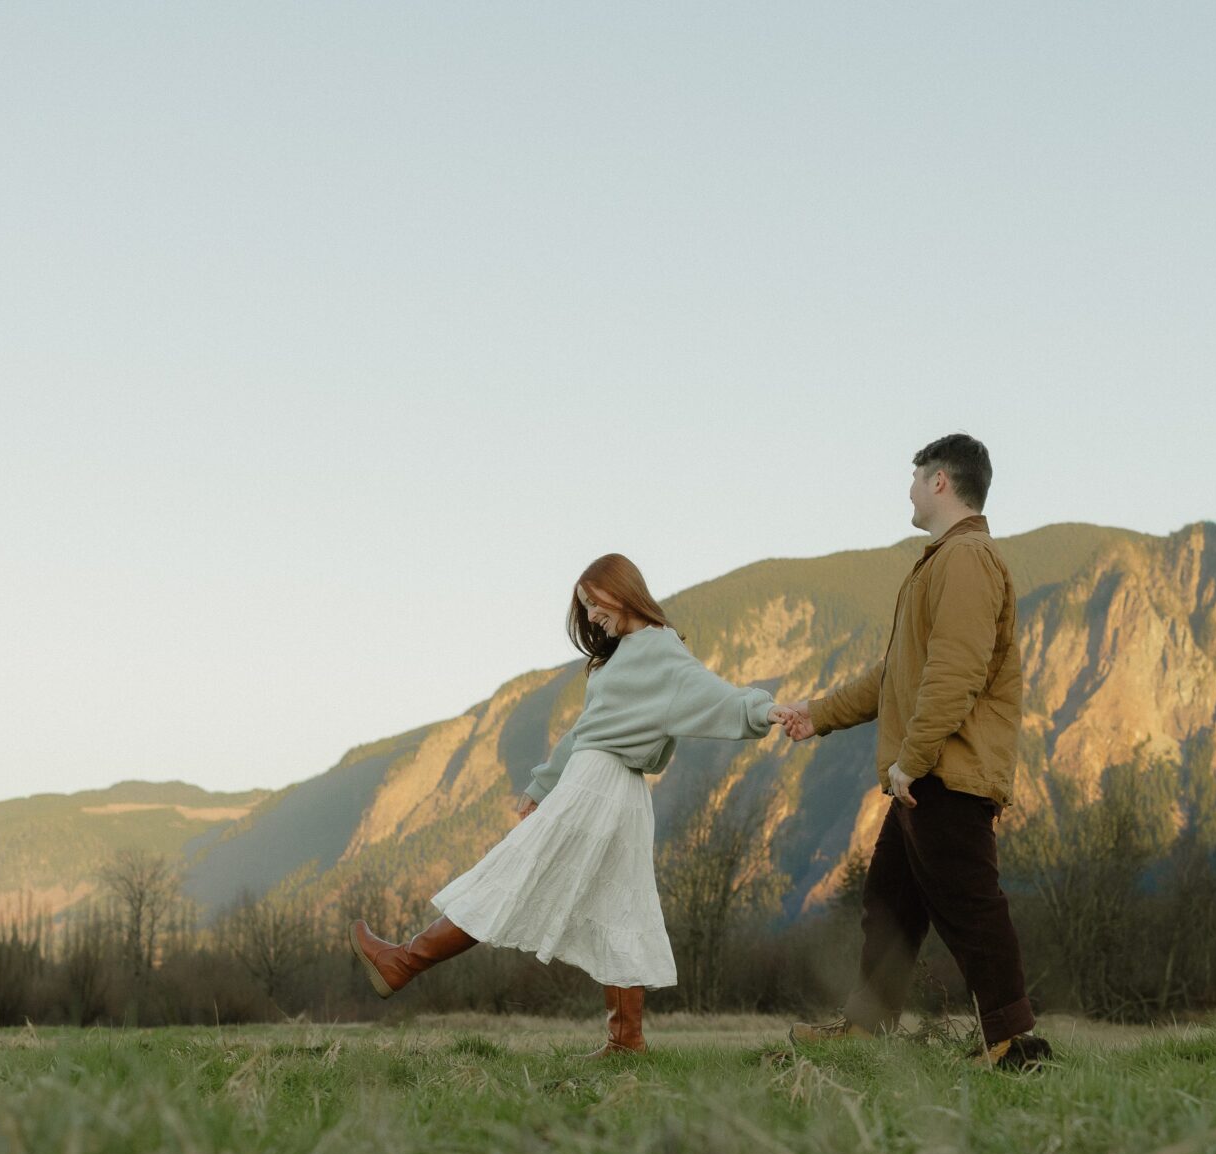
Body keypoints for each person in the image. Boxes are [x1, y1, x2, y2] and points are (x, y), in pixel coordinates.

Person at [350, 553, 778, 1056]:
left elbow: (717, 698)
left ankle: (403, 961)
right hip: (608, 791)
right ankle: (626, 1043)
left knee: (512, 877)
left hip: (600, 789)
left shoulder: (660, 650)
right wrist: (542, 785)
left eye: (594, 602)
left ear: (622, 590)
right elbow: (585, 730)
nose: (592, 616)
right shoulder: (621, 657)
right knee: (620, 906)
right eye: (585, 607)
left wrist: (766, 710)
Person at [774, 434, 1050, 1069]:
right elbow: (891, 677)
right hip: (924, 777)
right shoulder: (941, 564)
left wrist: (912, 759)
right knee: (890, 907)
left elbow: (955, 675)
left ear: (941, 483)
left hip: (942, 774)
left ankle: (1013, 1043)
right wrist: (814, 716)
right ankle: (867, 1030)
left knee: (972, 906)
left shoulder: (966, 560)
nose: (907, 488)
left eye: (915, 476)